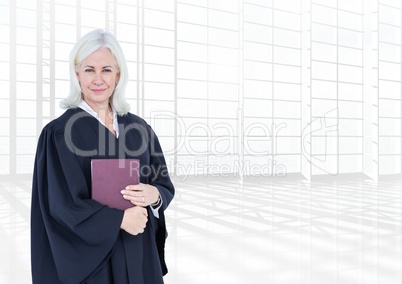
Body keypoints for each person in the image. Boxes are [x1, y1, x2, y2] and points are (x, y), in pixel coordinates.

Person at [31, 29, 175, 284]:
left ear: (118, 75)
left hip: (140, 254)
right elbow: (60, 204)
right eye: (89, 70)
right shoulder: (59, 133)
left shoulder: (139, 129)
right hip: (95, 264)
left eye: (106, 70)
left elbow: (162, 183)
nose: (98, 79)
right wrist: (119, 219)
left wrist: (155, 197)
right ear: (77, 74)